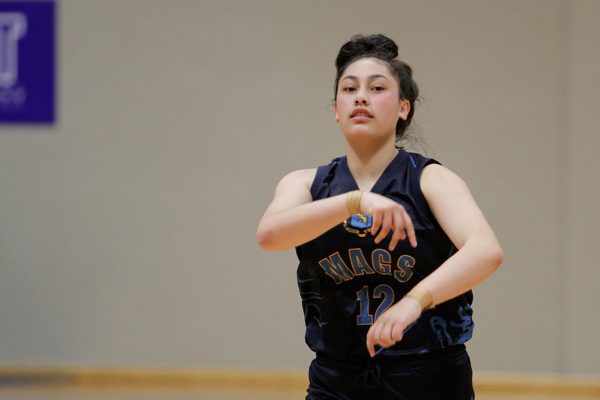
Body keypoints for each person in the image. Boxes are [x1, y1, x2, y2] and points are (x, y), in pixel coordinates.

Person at [256, 34, 504, 400]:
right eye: (349, 88)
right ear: (336, 109)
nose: (360, 97)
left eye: (376, 88)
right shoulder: (306, 183)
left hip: (429, 374)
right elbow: (270, 236)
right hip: (337, 377)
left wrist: (413, 303)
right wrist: (354, 202)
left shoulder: (431, 179)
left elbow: (486, 251)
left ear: (404, 107)